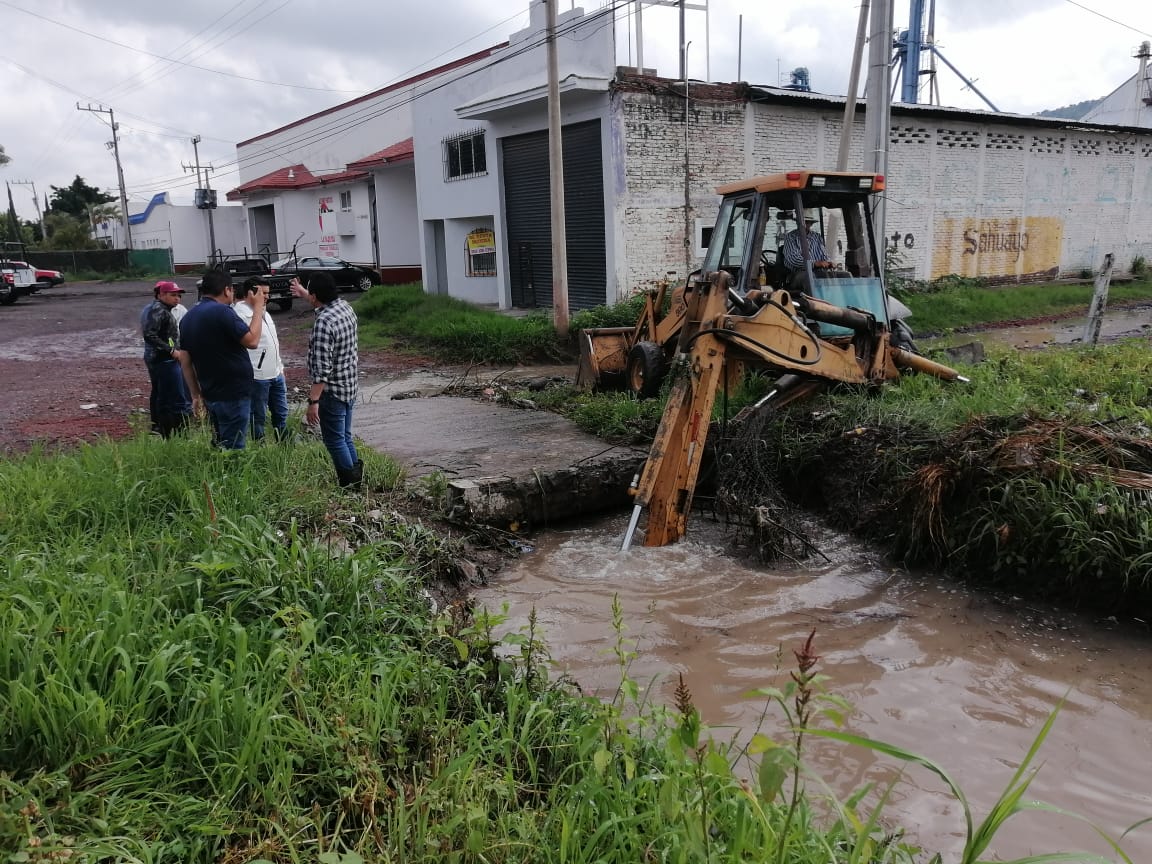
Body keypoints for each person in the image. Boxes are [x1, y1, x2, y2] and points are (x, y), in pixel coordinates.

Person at [177, 269, 266, 450]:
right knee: (234, 447)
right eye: (232, 290)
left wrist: (195, 395)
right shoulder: (223, 312)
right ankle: (233, 468)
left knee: (220, 442)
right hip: (233, 393)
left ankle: (219, 466)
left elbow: (185, 360)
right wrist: (258, 307)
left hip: (210, 392)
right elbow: (252, 341)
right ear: (227, 290)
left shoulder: (188, 318)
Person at [292, 273, 361, 487]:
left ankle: (350, 486)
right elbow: (322, 304)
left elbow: (322, 369)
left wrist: (313, 402)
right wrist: (305, 293)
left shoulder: (323, 323)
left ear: (315, 296)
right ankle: (357, 481)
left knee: (334, 440)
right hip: (349, 385)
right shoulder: (344, 307)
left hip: (332, 392)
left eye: (310, 294)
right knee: (345, 436)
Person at [234, 276, 288, 441]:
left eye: (267, 293)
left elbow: (273, 342)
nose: (266, 297)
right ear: (251, 293)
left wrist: (280, 367)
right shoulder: (239, 314)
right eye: (263, 293)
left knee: (281, 413)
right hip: (257, 376)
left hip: (276, 373)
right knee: (258, 416)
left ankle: (285, 444)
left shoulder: (265, 313)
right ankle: (260, 445)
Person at [140, 280, 192, 438]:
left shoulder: (162, 309)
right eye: (173, 295)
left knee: (162, 395)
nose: (177, 298)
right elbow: (150, 335)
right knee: (176, 397)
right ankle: (179, 433)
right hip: (164, 360)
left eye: (179, 295)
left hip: (161, 359)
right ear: (161, 295)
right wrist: (172, 351)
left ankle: (163, 429)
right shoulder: (158, 310)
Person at [782, 208, 832, 286]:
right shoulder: (790, 237)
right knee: (809, 276)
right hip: (797, 273)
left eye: (807, 222)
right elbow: (793, 259)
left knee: (838, 275)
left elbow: (824, 255)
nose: (804, 225)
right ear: (797, 222)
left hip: (817, 272)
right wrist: (814, 264)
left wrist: (829, 262)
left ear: (811, 223)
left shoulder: (817, 237)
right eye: (802, 222)